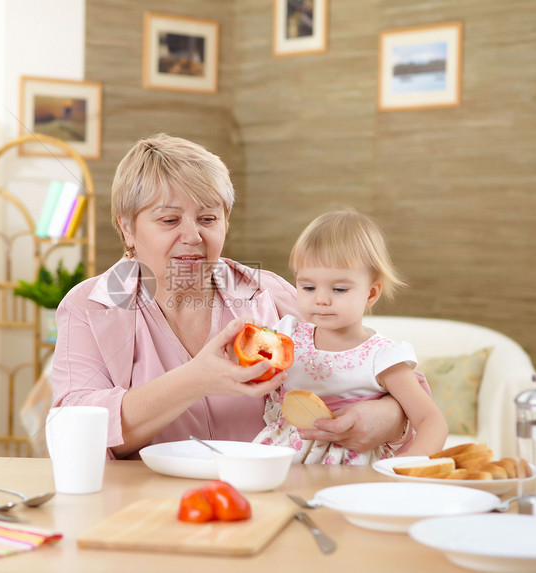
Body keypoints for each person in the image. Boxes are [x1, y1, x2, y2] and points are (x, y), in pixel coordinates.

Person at [49, 134, 412, 459]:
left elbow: (374, 365)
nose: (192, 236)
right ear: (127, 227)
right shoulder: (90, 307)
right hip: (143, 501)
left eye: (208, 219)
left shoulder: (270, 293)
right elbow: (73, 425)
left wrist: (391, 417)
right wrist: (196, 379)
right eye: (169, 221)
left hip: (264, 498)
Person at [254, 209, 448, 464]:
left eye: (339, 288)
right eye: (308, 287)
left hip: (352, 469)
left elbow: (431, 421)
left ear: (371, 294)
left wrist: (407, 469)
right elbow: (248, 370)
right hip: (284, 458)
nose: (321, 299)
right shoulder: (287, 335)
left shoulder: (382, 357)